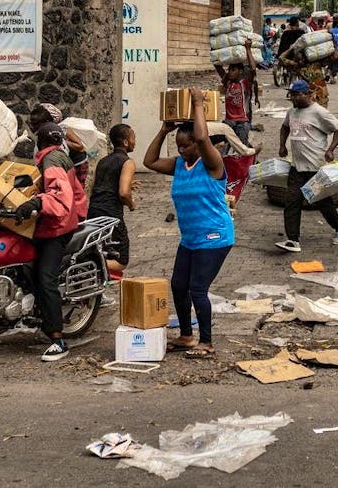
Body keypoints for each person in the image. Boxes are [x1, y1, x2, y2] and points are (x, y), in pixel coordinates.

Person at [144, 89, 234, 358]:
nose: (183, 150)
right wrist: (163, 131)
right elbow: (149, 161)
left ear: (198, 144)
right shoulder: (178, 165)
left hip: (215, 236)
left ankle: (206, 341)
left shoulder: (213, 164)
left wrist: (197, 104)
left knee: (197, 289)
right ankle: (186, 336)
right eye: (179, 146)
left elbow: (204, 136)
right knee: (178, 286)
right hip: (190, 239)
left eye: (187, 145)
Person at [9, 122, 88, 361]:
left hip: (58, 226)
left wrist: (36, 203)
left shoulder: (51, 160)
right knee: (23, 266)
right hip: (50, 223)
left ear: (39, 143)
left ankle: (57, 339)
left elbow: (59, 196)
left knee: (46, 277)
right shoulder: (56, 156)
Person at [275, 80, 338, 253]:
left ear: (307, 94)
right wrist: (282, 145)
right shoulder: (292, 111)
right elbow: (284, 127)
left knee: (322, 203)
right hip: (297, 167)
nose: (292, 98)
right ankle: (293, 240)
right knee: (291, 201)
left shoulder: (319, 112)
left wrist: (331, 149)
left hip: (314, 167)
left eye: (295, 95)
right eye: (291, 94)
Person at [88, 124, 139, 278]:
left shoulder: (103, 161)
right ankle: (85, 266)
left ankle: (96, 291)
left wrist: (128, 185)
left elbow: (94, 188)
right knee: (121, 259)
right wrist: (131, 204)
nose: (134, 141)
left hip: (94, 212)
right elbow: (123, 193)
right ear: (125, 142)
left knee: (101, 250)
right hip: (111, 215)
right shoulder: (128, 162)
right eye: (133, 138)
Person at [27, 104, 89, 186]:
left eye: (36, 123)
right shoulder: (44, 134)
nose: (33, 126)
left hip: (78, 163)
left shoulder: (62, 130)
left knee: (76, 187)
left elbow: (80, 146)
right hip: (66, 164)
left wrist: (62, 141)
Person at [214, 40, 256, 147]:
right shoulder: (227, 83)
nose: (229, 72)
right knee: (218, 140)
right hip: (229, 122)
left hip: (242, 122)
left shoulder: (244, 84)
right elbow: (218, 66)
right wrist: (216, 49)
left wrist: (248, 49)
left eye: (233, 70)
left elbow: (253, 69)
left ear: (240, 71)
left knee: (242, 147)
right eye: (229, 69)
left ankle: (250, 157)